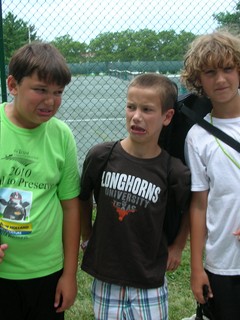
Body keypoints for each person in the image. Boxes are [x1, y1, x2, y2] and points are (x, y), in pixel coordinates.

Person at [79, 73, 191, 320]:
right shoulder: (101, 156)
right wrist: (87, 235)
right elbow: (83, 196)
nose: (136, 116)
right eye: (131, 107)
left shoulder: (174, 171)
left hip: (149, 277)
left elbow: (188, 210)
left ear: (167, 116)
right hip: (106, 275)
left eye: (147, 109)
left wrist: (178, 245)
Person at [0, 42, 80, 320]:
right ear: (13, 85)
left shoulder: (61, 136)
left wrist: (69, 274)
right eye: (40, 90)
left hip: (47, 271)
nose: (50, 101)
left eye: (58, 92)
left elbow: (71, 207)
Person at [181, 30, 240, 320]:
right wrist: (196, 268)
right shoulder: (197, 136)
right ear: (198, 80)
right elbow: (199, 204)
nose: (220, 79)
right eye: (210, 72)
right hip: (223, 263)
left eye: (228, 68)